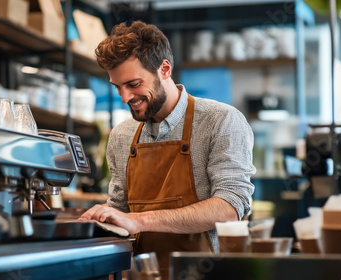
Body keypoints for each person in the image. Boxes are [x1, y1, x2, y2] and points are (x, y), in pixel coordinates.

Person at [79, 21, 256, 278]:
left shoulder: (221, 120)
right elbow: (120, 211)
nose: (125, 97)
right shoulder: (121, 135)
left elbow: (230, 207)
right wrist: (100, 222)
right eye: (117, 87)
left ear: (164, 69)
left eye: (133, 84)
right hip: (141, 274)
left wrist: (140, 220)